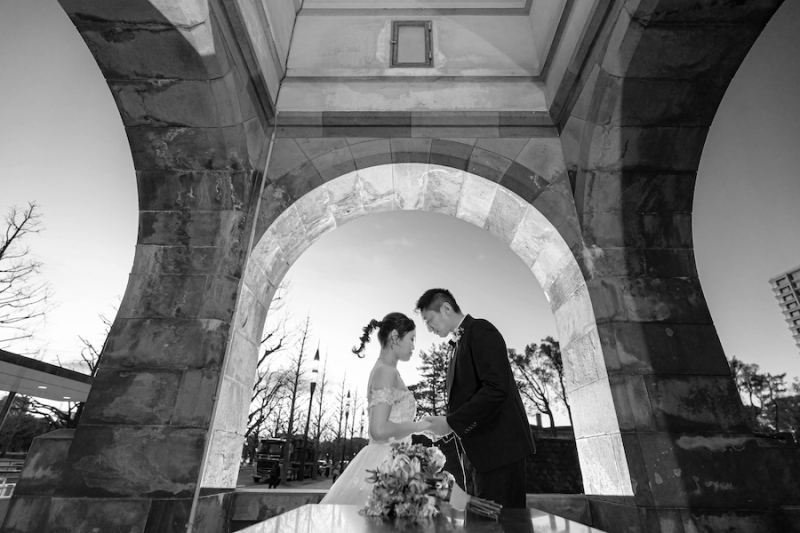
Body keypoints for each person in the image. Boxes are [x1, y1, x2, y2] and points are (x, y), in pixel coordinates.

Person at [417, 288, 535, 509]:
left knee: (502, 523)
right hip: (474, 456)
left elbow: (497, 388)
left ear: (446, 308)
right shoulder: (455, 346)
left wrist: (451, 423)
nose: (429, 328)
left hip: (499, 453)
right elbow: (466, 399)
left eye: (429, 320)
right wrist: (445, 426)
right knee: (478, 522)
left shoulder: (481, 330)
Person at [320, 312, 431, 506]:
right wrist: (419, 426)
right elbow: (378, 430)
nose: (414, 346)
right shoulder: (385, 371)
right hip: (385, 464)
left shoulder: (387, 370)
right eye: (412, 339)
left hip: (395, 462)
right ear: (395, 337)